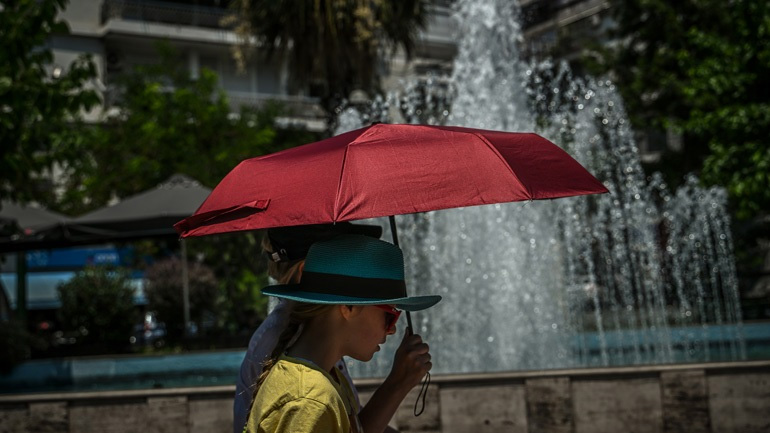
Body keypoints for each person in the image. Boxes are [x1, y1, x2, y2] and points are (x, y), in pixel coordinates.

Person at [234, 225, 438, 433]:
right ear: (349, 307)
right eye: (390, 315)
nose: (392, 330)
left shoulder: (328, 379)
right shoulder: (311, 402)